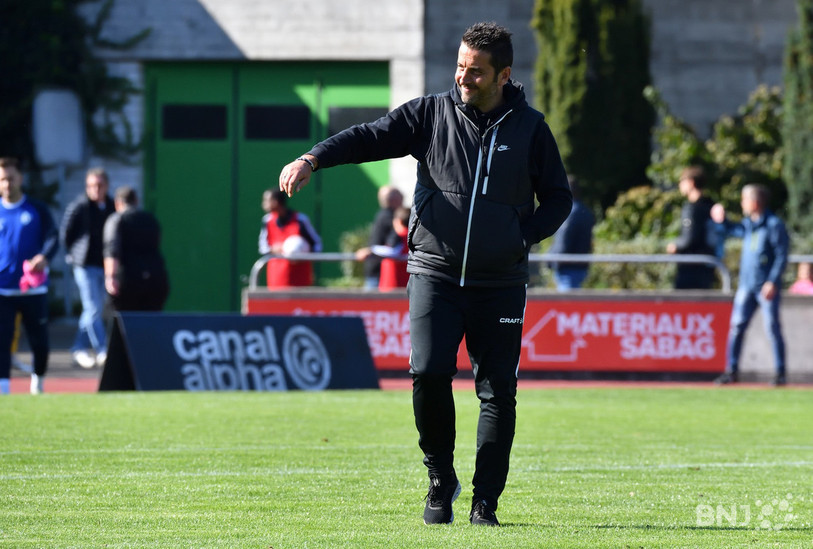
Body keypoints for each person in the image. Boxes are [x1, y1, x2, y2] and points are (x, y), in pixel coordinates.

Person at [278, 22, 572, 526]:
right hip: (435, 273)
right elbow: (368, 136)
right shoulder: (431, 115)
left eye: (475, 71)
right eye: (459, 67)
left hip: (499, 283)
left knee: (497, 392)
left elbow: (558, 199)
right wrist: (314, 158)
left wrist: (519, 237)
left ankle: (485, 502)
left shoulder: (531, 128)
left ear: (503, 75)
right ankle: (440, 478)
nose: (463, 77)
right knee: (430, 373)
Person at [711, 184, 789, 386]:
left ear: (754, 202)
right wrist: (722, 220)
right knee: (736, 327)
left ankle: (780, 373)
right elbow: (732, 230)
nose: (742, 204)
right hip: (746, 285)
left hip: (765, 286)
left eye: (744, 200)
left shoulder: (773, 225)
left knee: (772, 328)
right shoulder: (749, 225)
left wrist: (772, 281)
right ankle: (732, 370)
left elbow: (781, 255)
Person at [0, 157, 59, 394]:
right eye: (2, 179)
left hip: (32, 290)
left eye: (11, 178)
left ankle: (38, 381)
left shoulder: (37, 209)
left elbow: (53, 237)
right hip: (3, 290)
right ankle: (3, 389)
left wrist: (43, 257)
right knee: (2, 340)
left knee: (40, 342)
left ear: (20, 179)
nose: (7, 184)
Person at [60, 167, 115, 368]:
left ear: (106, 186)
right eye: (91, 185)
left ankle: (78, 347)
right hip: (84, 265)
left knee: (94, 309)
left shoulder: (112, 206)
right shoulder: (79, 206)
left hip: (104, 265)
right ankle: (102, 350)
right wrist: (73, 255)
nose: (95, 189)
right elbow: (66, 233)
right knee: (93, 307)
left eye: (99, 185)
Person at [103, 186, 169, 311]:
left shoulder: (116, 220)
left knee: (124, 320)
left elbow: (112, 250)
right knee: (151, 319)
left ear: (117, 203)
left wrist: (110, 277)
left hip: (128, 280)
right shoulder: (151, 220)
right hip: (156, 278)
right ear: (136, 201)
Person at [666, 166, 717, 289]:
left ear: (691, 182)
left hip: (690, 266)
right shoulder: (711, 204)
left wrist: (675, 246)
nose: (680, 185)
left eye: (682, 181)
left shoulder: (692, 208)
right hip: (707, 265)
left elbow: (689, 238)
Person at [263, 189, 322, 288]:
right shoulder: (267, 221)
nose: (264, 204)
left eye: (266, 200)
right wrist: (274, 249)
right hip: (277, 279)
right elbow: (263, 247)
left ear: (275, 202)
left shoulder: (300, 220)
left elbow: (317, 244)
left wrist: (304, 253)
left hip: (300, 279)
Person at [547, 175, 594, 291]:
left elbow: (563, 241)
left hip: (567, 267)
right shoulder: (585, 211)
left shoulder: (569, 212)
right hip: (579, 265)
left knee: (566, 300)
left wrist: (551, 261)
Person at [355, 206, 411, 291]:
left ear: (398, 221)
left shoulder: (399, 236)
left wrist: (371, 250)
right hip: (407, 285)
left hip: (393, 285)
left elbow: (392, 251)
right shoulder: (414, 237)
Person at [363, 185, 404, 289]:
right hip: (380, 272)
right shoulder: (390, 218)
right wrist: (371, 250)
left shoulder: (382, 215)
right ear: (395, 199)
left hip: (376, 270)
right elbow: (393, 245)